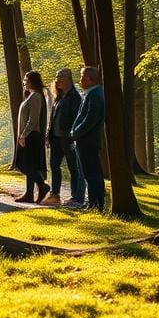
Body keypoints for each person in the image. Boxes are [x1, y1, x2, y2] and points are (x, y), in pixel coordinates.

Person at [43, 68, 83, 206]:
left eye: (61, 76)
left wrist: (73, 137)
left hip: (68, 138)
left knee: (73, 167)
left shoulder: (75, 97)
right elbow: (52, 119)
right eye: (57, 76)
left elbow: (76, 119)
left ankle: (75, 197)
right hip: (56, 139)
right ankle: (55, 195)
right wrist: (48, 136)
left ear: (69, 79)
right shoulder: (59, 97)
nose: (58, 79)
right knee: (54, 165)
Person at [70, 65, 106, 210]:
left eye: (81, 76)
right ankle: (94, 202)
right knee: (89, 173)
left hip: (88, 141)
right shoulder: (90, 93)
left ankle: (95, 204)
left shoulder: (96, 95)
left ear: (88, 78)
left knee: (91, 174)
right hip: (84, 140)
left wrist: (75, 132)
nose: (80, 80)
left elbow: (90, 119)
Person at [14, 71, 50, 203]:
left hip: (31, 135)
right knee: (28, 165)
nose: (24, 82)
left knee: (26, 165)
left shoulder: (36, 96)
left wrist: (23, 135)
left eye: (26, 80)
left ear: (32, 81)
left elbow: (33, 119)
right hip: (28, 135)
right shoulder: (31, 95)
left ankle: (42, 185)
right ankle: (30, 193)